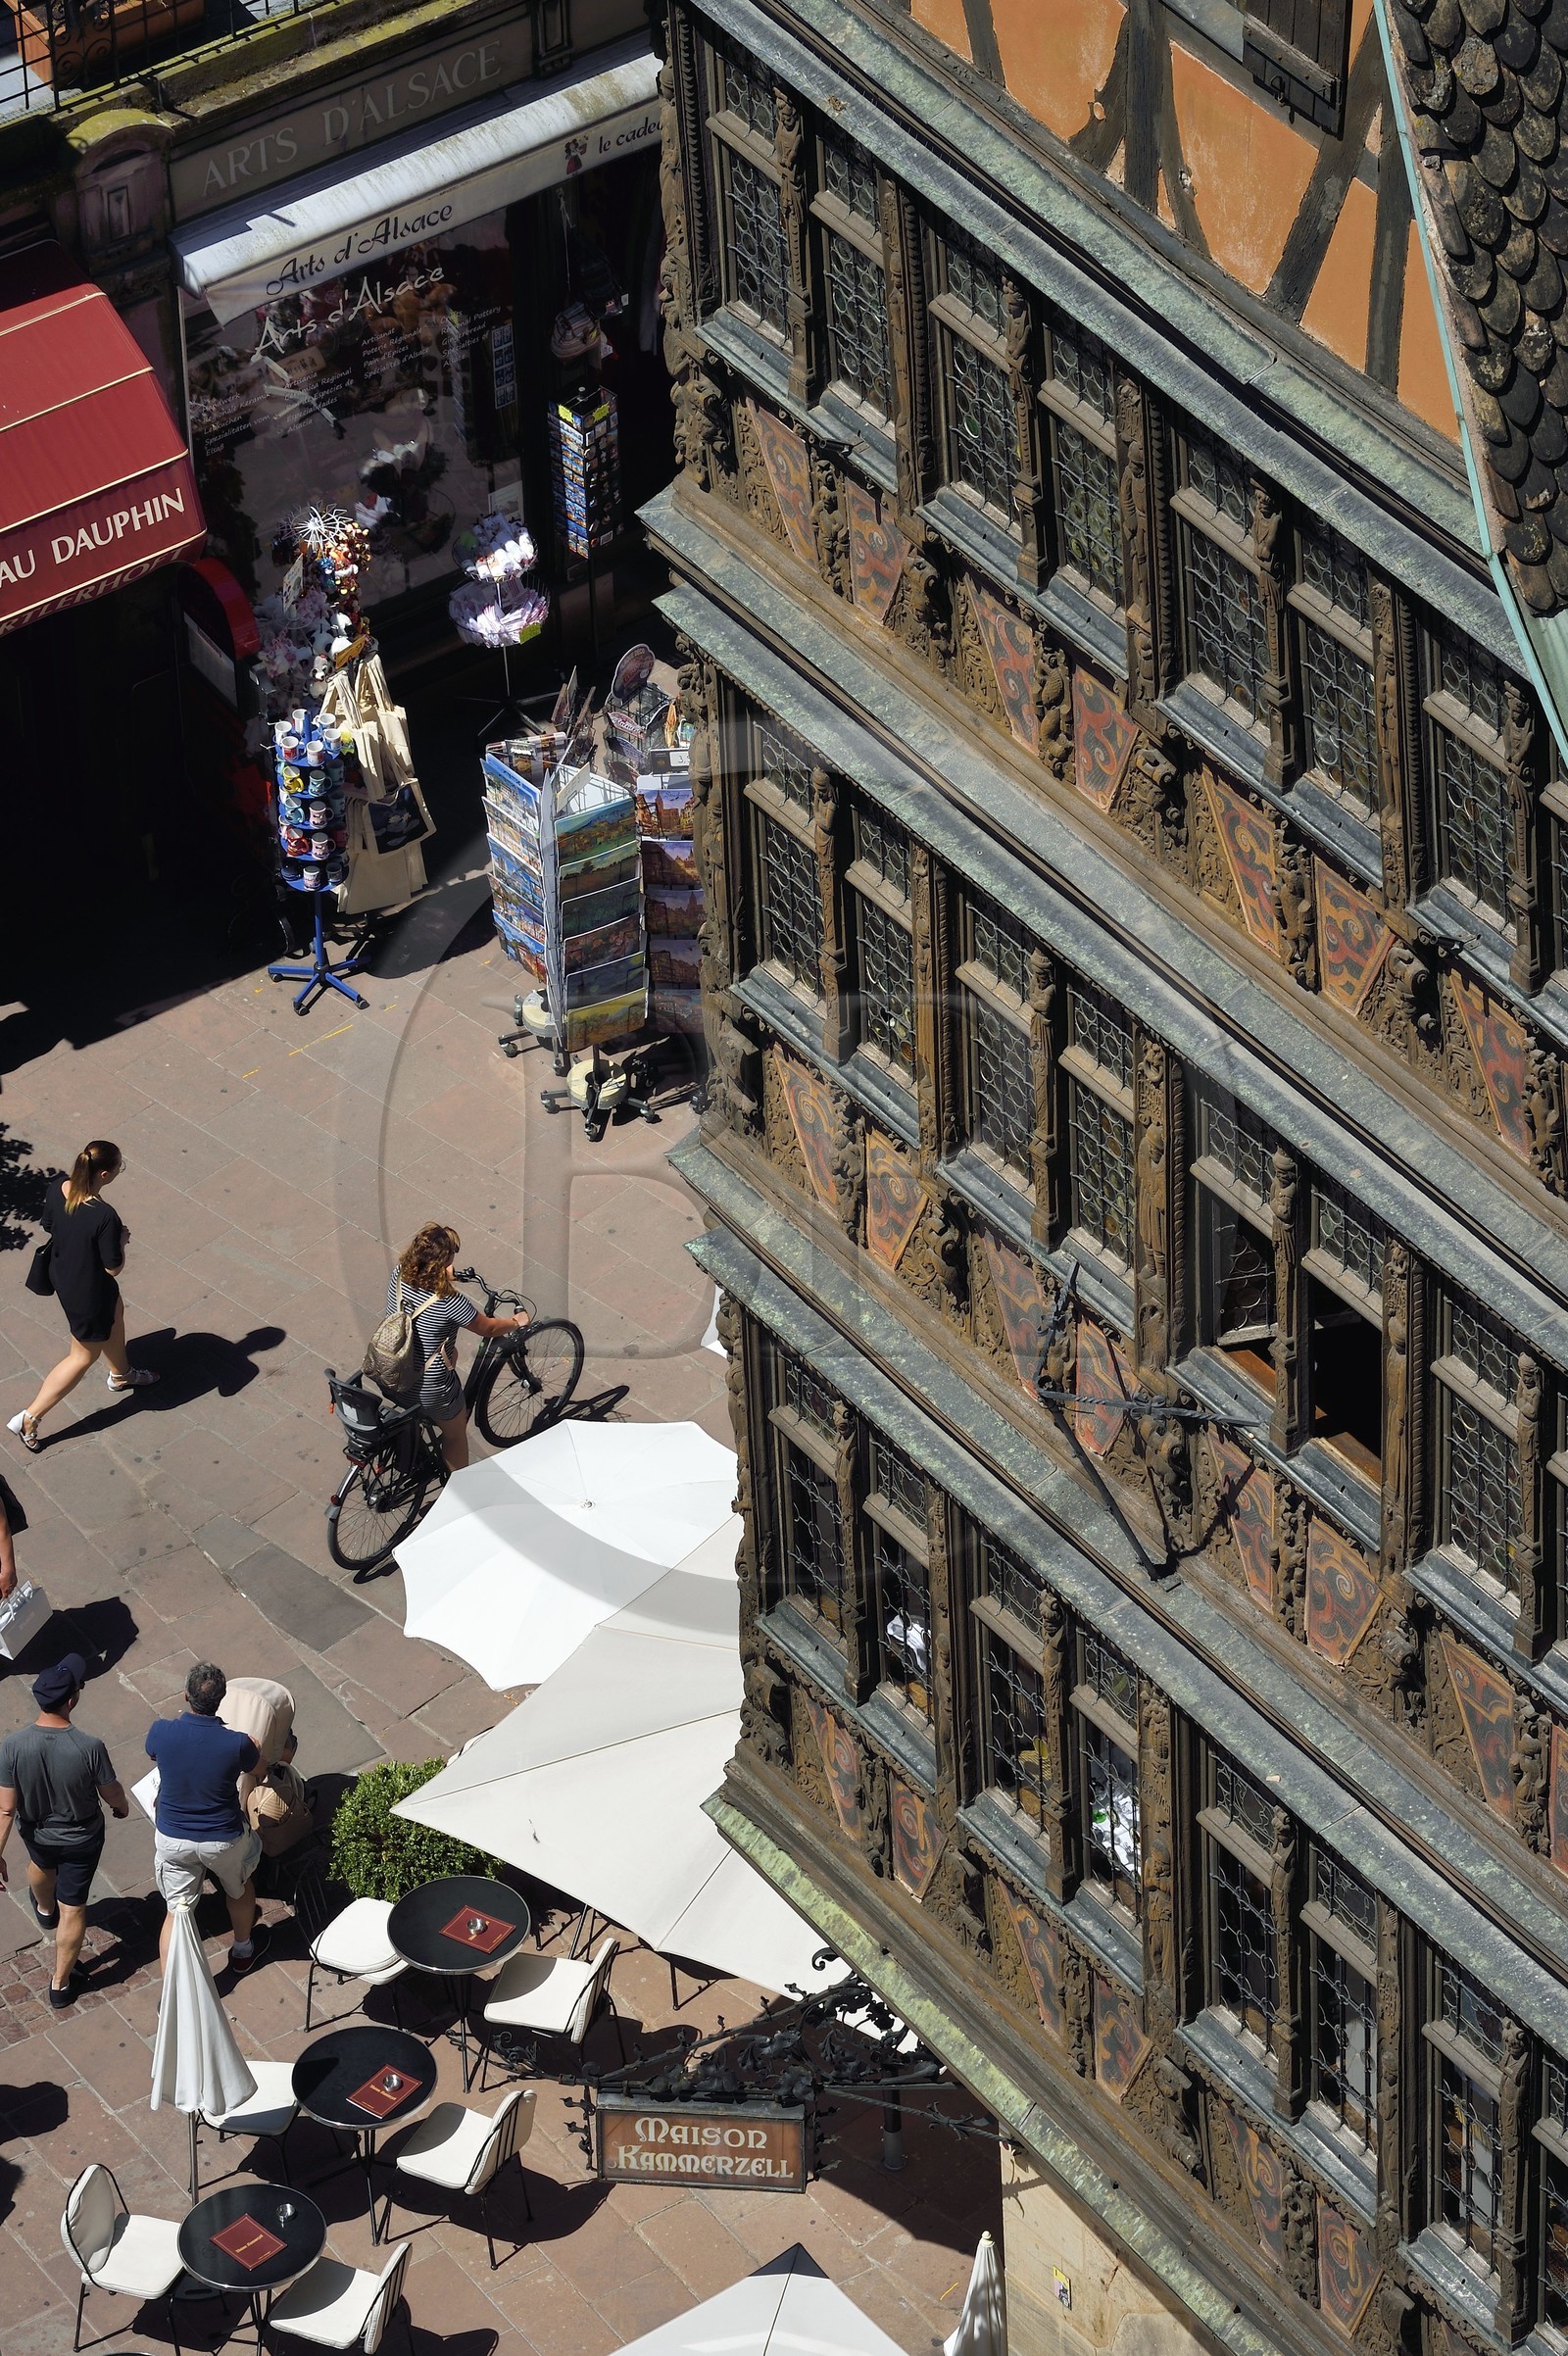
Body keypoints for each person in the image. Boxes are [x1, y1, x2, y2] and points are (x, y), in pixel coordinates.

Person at [8, 1141, 158, 1453]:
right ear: (104, 1173)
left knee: (115, 1314)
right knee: (82, 1356)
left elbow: (49, 1224)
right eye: (119, 1168)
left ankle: (122, 1375)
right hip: (88, 1291)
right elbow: (113, 1267)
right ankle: (30, 1418)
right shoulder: (105, 1216)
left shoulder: (57, 1187)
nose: (119, 1172)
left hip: (65, 1273)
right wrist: (122, 1240)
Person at [0, 1652, 129, 2008]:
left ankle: (44, 1910)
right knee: (73, 1909)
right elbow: (111, 1792)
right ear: (71, 1699)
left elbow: (6, 1808)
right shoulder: (89, 1747)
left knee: (41, 1865)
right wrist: (121, 1807)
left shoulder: (11, 1746)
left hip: (37, 1834)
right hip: (81, 1839)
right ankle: (59, 1985)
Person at [146, 1662, 270, 1974]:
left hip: (173, 1837)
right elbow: (260, 1770)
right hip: (223, 1839)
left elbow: (154, 1753)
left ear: (185, 1695)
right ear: (222, 1698)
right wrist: (254, 1749)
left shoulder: (161, 1731)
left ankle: (172, 1993)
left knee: (176, 1912)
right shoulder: (237, 1743)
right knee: (239, 1890)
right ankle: (242, 1950)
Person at [386, 1223, 527, 1471]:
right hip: (428, 1390)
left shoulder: (399, 1274)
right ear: (444, 1260)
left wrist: (440, 1275)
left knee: (450, 1353)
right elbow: (488, 1329)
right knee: (456, 1433)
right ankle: (458, 1489)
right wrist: (515, 1321)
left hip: (391, 1375)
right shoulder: (450, 1302)